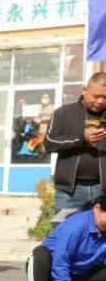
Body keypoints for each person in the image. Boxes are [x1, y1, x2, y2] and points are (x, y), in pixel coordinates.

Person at [28, 193, 106, 281]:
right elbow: (60, 259)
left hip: (78, 276)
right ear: (97, 208)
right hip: (52, 277)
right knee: (40, 254)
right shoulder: (76, 225)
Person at [44, 72, 106, 217]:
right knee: (65, 234)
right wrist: (81, 139)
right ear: (84, 90)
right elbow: (49, 144)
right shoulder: (63, 113)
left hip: (102, 190)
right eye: (96, 96)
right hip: (70, 191)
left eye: (105, 97)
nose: (100, 101)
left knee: (99, 238)